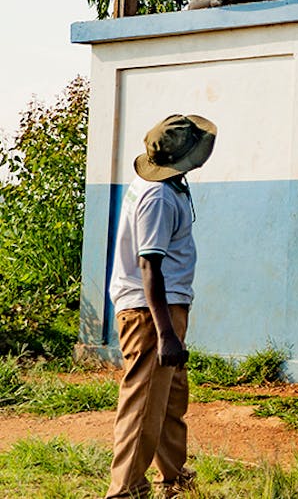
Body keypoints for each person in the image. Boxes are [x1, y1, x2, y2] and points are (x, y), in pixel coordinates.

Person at [105, 114, 217, 499]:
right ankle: (125, 492)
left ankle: (175, 479)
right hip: (152, 313)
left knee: (169, 400)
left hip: (162, 310)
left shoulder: (163, 185)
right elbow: (149, 265)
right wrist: (166, 333)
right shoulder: (158, 196)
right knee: (144, 403)